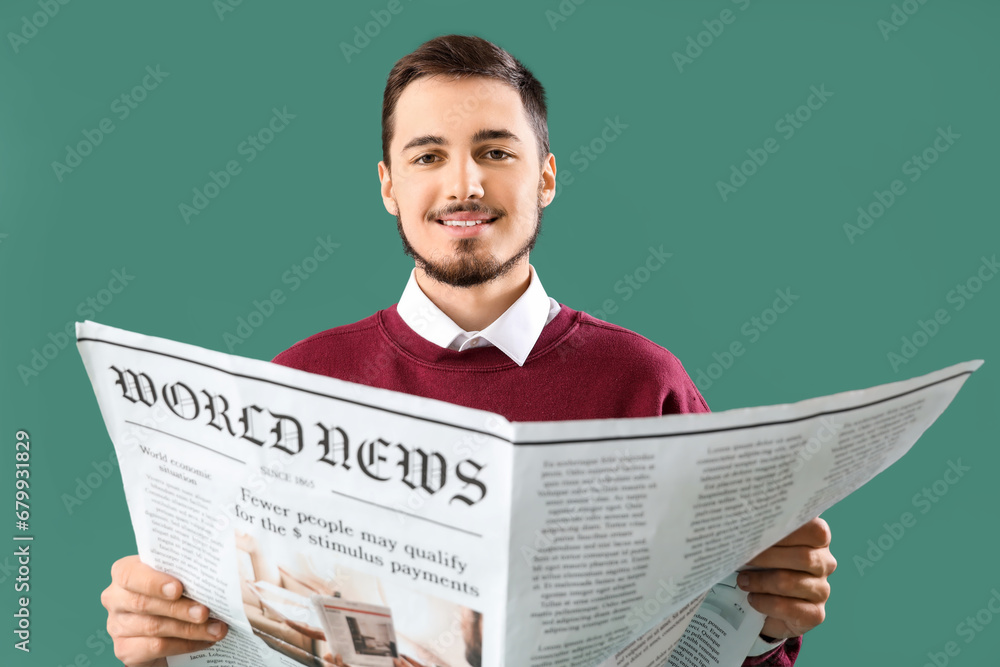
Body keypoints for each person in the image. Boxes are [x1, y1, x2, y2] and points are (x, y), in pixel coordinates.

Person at [100, 35, 836, 667]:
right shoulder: (298, 381)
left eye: (496, 150)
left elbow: (722, 642)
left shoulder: (646, 381)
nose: (465, 183)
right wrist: (162, 631)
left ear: (544, 175)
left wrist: (770, 620)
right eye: (428, 156)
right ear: (389, 186)